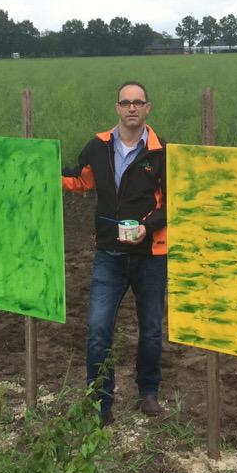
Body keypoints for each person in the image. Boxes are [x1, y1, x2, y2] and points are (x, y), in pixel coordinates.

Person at [62, 81, 167, 426]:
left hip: (150, 254)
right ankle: (100, 403)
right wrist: (39, 168)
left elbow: (175, 202)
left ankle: (148, 392)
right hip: (109, 253)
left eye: (138, 102)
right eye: (126, 102)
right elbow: (80, 180)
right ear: (117, 108)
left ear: (147, 108)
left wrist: (147, 227)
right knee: (97, 328)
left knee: (150, 329)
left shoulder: (162, 152)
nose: (132, 108)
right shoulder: (98, 146)